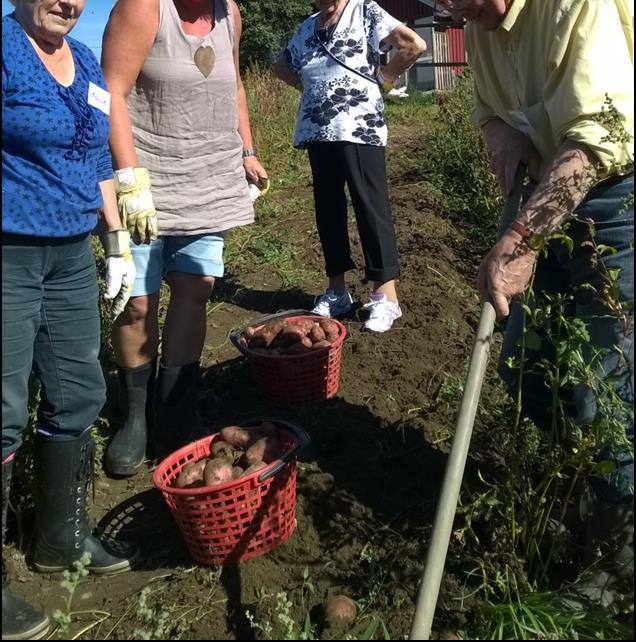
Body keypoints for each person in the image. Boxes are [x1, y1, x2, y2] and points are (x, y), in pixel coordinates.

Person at [440, 0, 634, 601]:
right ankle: (582, 494)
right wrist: (503, 138)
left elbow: (599, 141)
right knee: (528, 368)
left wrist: (521, 240)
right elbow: (489, 110)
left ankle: (620, 556)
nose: (451, 10)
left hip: (615, 194)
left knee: (610, 389)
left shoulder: (576, 5)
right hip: (549, 186)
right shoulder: (479, 25)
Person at [2, 1, 140, 638]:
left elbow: (94, 160)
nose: (67, 1)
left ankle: (62, 539)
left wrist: (115, 241)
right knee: (2, 408)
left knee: (79, 389)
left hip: (70, 253)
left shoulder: (83, 60)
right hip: (9, 251)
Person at [100, 0, 268, 477]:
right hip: (148, 181)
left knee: (196, 288)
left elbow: (233, 85)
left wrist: (248, 150)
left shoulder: (229, 13)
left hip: (207, 176)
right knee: (137, 300)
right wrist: (129, 181)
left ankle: (175, 406)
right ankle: (136, 414)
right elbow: (113, 92)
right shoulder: (143, 8)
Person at [273, 0, 426, 333]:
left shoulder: (364, 10)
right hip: (318, 128)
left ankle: (386, 296)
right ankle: (337, 291)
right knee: (328, 209)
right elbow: (281, 66)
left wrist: (385, 76)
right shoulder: (307, 26)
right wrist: (313, 89)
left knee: (370, 206)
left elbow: (414, 44)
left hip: (359, 127)